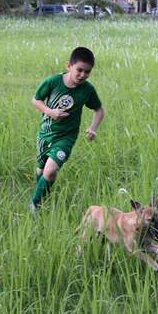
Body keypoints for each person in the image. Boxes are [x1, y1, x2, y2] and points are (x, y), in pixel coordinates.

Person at [30, 47, 105, 212]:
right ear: (69, 66)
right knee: (41, 171)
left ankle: (34, 205)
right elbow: (36, 100)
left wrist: (93, 128)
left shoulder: (87, 90)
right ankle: (43, 197)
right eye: (79, 70)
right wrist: (50, 112)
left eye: (87, 72)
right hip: (45, 134)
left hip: (66, 137)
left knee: (50, 172)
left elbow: (99, 110)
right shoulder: (53, 82)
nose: (83, 75)